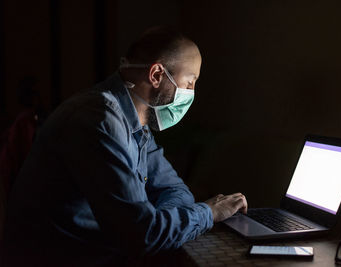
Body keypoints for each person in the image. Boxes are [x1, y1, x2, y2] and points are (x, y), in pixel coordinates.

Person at [2, 26, 247, 266]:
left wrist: (158, 222)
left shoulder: (136, 124)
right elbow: (142, 237)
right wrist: (208, 213)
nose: (191, 93)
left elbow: (175, 190)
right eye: (190, 81)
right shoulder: (99, 122)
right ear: (157, 75)